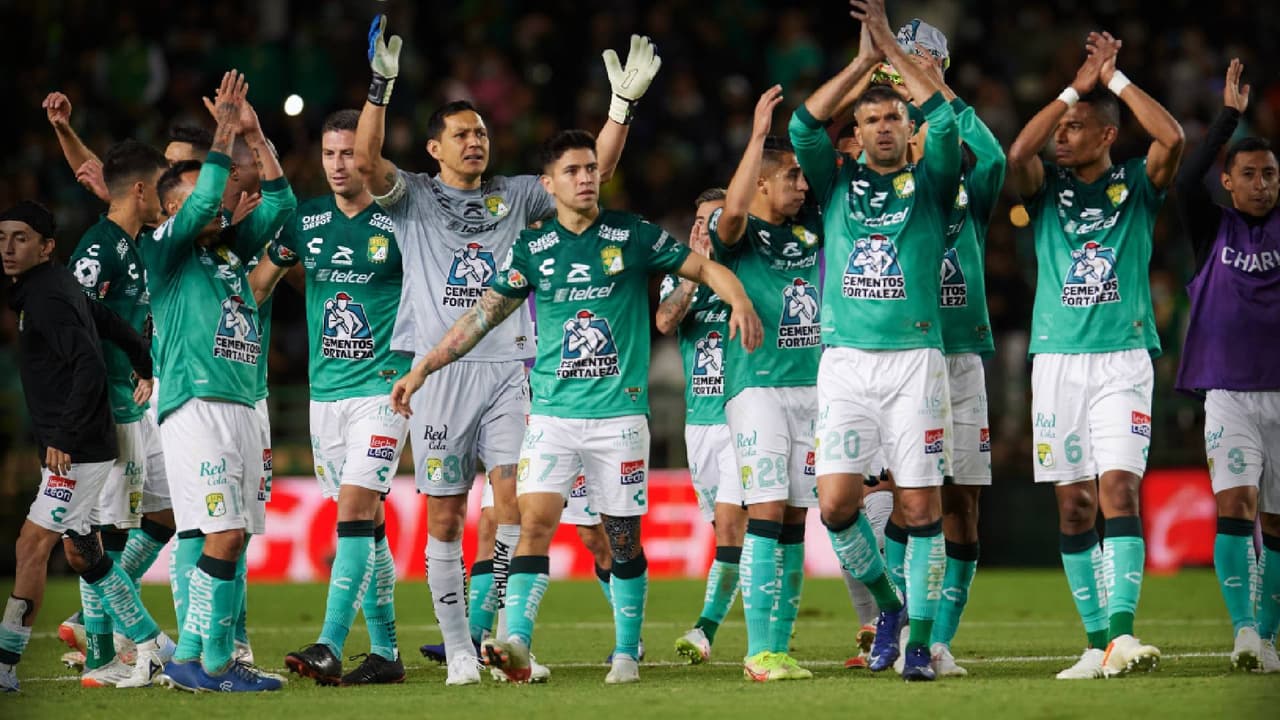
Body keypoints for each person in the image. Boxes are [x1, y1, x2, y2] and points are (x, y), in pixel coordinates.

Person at [354, 14, 662, 684]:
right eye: (462, 134)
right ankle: (459, 650)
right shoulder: (413, 198)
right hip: (439, 370)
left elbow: (592, 173)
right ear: (434, 148)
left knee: (512, 507)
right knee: (443, 513)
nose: (476, 142)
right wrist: (380, 89)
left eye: (483, 133)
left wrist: (621, 109)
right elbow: (368, 161)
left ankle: (505, 640)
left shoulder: (518, 197)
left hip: (510, 370)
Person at [390, 129, 761, 684]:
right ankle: (515, 639)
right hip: (553, 418)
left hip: (619, 418)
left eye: (592, 168)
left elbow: (703, 268)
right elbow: (481, 315)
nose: (586, 177)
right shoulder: (534, 246)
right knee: (532, 521)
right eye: (573, 171)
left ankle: (627, 652)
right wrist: (423, 367)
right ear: (549, 184)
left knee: (620, 537)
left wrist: (739, 299)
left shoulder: (631, 234)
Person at [791, 0, 961, 682]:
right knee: (835, 505)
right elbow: (803, 122)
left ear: (905, 126)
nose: (884, 126)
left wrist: (892, 49)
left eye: (893, 116)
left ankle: (919, 644)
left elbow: (946, 120)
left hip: (915, 362)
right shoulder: (835, 186)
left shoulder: (931, 183)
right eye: (871, 118)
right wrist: (864, 62)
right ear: (855, 135)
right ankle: (888, 607)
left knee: (920, 506)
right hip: (847, 365)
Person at [1006, 31, 1184, 679]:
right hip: (1057, 363)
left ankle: (1123, 635)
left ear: (1107, 136)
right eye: (1064, 126)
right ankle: (1095, 643)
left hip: (1123, 358)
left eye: (1077, 128)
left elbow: (1174, 140)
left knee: (1119, 489)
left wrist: (1113, 84)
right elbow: (1017, 150)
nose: (1063, 135)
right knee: (1074, 504)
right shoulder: (1045, 188)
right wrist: (1072, 89)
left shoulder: (1137, 185)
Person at [138, 71, 296, 693]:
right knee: (222, 534)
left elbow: (282, 207)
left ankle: (198, 660)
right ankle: (214, 664)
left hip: (240, 404)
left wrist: (256, 139)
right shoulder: (164, 249)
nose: (227, 198)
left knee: (228, 538)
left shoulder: (226, 252)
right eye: (213, 190)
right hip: (194, 403)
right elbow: (204, 202)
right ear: (175, 206)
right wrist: (223, 136)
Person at [248, 109, 407, 686]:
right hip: (325, 398)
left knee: (355, 513)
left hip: (384, 393)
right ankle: (387, 654)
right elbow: (257, 287)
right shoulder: (307, 220)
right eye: (330, 154)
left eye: (348, 154)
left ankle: (329, 644)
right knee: (370, 527)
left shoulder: (399, 221)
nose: (339, 165)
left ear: (366, 156)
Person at [0, 201, 173, 692]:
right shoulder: (55, 288)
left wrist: (63, 435)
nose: (8, 248)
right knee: (86, 556)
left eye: (20, 238)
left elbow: (89, 367)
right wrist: (142, 358)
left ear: (46, 246)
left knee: (31, 546)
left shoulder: (48, 300)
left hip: (77, 450)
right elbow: (107, 321)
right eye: (2, 237)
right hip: (81, 444)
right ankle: (151, 642)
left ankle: (5, 666)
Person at [706, 86, 823, 682]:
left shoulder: (808, 236)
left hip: (811, 387)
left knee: (799, 518)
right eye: (793, 178)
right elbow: (728, 215)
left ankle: (779, 646)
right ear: (763, 183)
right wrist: (756, 138)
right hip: (757, 389)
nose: (803, 187)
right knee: (768, 514)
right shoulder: (741, 233)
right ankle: (756, 651)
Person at [1173, 59, 1280, 674]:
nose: (1262, 184)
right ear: (1230, 183)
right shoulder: (1215, 228)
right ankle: (1244, 631)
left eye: (1270, 174)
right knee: (1236, 505)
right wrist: (1230, 118)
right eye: (1250, 175)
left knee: (1277, 518)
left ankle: (1267, 637)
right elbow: (1187, 182)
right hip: (1229, 395)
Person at [60, 139, 177, 680]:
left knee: (166, 512)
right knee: (93, 531)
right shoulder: (99, 248)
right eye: (161, 189)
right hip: (104, 407)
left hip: (133, 404)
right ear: (139, 190)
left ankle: (98, 623)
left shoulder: (134, 246)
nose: (166, 199)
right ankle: (107, 655)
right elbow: (67, 327)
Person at [658, 188, 749, 665]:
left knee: (735, 527)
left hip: (745, 415)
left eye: (716, 219)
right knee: (726, 535)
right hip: (700, 425)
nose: (706, 227)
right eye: (699, 219)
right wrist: (696, 271)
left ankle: (705, 629)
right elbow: (665, 322)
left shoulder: (752, 267)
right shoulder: (678, 275)